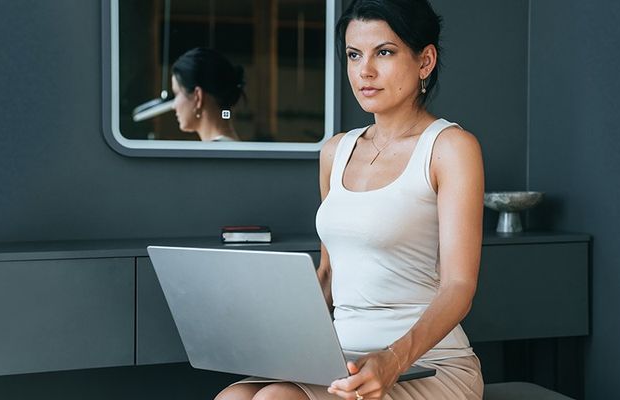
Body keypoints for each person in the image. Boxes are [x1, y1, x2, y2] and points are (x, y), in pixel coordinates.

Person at [216, 0, 485, 399]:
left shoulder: (451, 148)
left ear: (425, 61)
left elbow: (459, 287)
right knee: (233, 397)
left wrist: (393, 360)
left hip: (425, 363)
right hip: (341, 358)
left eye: (385, 52)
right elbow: (328, 274)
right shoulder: (335, 150)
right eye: (354, 54)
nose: (365, 71)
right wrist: (272, 343)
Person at [170, 47, 246, 142]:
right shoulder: (230, 149)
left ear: (198, 97)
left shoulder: (212, 154)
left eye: (177, 94)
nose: (173, 106)